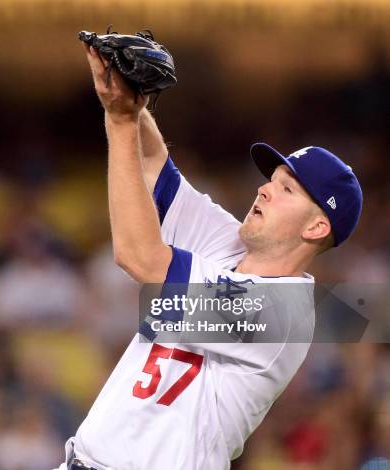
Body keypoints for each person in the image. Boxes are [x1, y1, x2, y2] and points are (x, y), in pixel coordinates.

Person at [54, 44, 363, 470]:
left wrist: (120, 119)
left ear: (315, 228)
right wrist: (131, 98)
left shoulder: (282, 314)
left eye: (287, 189)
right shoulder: (231, 244)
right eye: (271, 179)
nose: (264, 189)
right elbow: (153, 166)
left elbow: (138, 258)